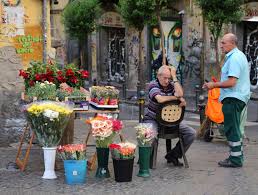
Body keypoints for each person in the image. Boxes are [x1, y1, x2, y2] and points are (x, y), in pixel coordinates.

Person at [203, 33, 250, 168]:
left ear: (232, 43)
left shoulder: (234, 58)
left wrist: (214, 85)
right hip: (236, 97)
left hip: (233, 98)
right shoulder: (238, 56)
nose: (221, 45)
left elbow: (231, 82)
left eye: (223, 43)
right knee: (233, 127)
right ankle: (236, 157)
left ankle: (235, 160)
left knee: (231, 128)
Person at [143, 65, 196, 166]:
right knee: (149, 134)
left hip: (171, 123)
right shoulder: (153, 85)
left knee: (191, 133)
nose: (167, 81)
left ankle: (173, 155)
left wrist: (174, 77)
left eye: (169, 78)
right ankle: (146, 159)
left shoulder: (171, 84)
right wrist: (175, 98)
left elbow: (180, 94)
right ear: (158, 76)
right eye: (165, 78)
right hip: (153, 119)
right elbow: (160, 99)